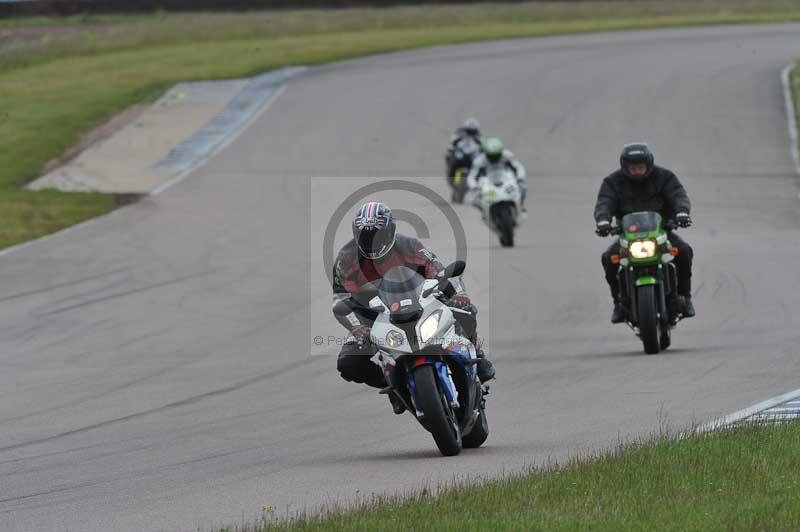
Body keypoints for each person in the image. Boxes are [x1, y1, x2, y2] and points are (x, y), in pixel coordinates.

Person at [332, 201, 495, 414]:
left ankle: (478, 355)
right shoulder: (346, 258)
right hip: (372, 315)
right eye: (364, 235)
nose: (371, 241)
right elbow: (339, 298)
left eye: (377, 235)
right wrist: (355, 327)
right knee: (348, 363)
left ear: (390, 231)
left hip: (420, 302)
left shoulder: (410, 246)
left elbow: (440, 271)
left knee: (466, 311)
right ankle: (391, 386)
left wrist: (459, 295)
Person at [594, 143, 695, 323]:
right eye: (633, 168)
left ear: (648, 165)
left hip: (661, 232)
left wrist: (682, 213)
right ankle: (618, 302)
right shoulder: (613, 182)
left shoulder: (664, 177)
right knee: (609, 258)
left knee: (684, 252)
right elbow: (604, 202)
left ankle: (685, 297)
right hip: (629, 236)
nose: (637, 171)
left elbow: (678, 194)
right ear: (625, 167)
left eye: (640, 167)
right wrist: (603, 221)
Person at [467, 137, 528, 208]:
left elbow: (518, 167)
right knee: (475, 200)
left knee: (522, 188)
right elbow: (472, 176)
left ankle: (521, 207)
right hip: (488, 183)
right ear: (486, 153)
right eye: (491, 156)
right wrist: (474, 188)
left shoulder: (507, 155)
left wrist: (520, 179)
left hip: (506, 180)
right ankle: (485, 214)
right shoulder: (479, 160)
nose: (494, 158)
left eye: (496, 155)